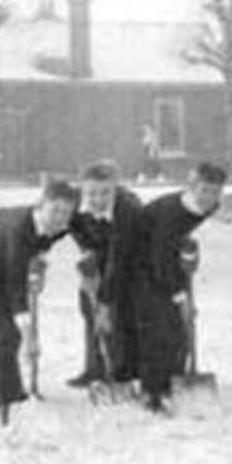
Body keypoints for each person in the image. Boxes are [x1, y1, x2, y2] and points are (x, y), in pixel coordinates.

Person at [0, 180, 78, 424]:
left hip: (12, 254)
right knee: (0, 330)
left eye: (66, 212)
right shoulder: (18, 232)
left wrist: (38, 264)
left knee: (6, 332)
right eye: (55, 210)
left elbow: (44, 242)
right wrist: (30, 338)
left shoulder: (61, 225)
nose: (60, 218)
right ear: (40, 205)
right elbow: (16, 291)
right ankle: (0, 398)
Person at [133, 162, 227, 415]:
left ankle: (173, 382)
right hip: (141, 269)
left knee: (178, 329)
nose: (209, 197)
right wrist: (180, 296)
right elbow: (159, 255)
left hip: (165, 263)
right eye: (204, 190)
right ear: (191, 187)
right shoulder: (174, 214)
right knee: (161, 331)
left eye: (215, 191)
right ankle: (152, 391)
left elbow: (172, 247)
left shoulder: (207, 207)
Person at [66, 161, 145, 389]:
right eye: (92, 193)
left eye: (105, 193)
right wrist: (87, 249)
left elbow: (118, 259)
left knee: (117, 310)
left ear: (115, 189)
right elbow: (70, 226)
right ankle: (95, 370)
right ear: (82, 190)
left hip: (132, 257)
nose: (98, 199)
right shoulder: (72, 204)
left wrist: (104, 300)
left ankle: (123, 371)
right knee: (90, 309)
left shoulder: (128, 209)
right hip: (98, 251)